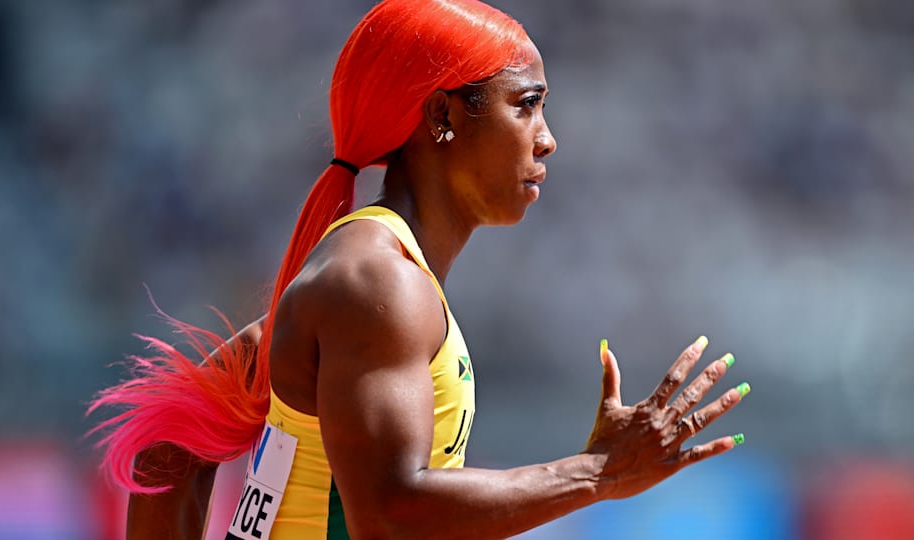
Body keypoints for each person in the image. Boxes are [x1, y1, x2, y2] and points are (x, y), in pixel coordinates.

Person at [90, 0, 750, 538]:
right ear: (440, 117)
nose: (547, 137)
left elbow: (170, 447)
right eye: (525, 104)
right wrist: (595, 473)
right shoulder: (376, 282)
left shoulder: (374, 274)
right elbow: (391, 512)